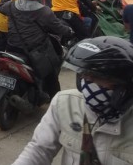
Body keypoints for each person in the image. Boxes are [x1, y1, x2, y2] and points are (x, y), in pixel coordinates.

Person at [12, 36, 133, 165]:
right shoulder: (64, 103)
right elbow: (39, 150)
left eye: (99, 77)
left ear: (124, 86)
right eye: (85, 74)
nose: (88, 83)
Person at [0, 0, 72, 99]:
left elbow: (0, 7)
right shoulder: (44, 11)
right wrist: (69, 31)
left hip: (12, 48)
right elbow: (58, 28)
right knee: (51, 72)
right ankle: (54, 99)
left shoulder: (11, 6)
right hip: (34, 51)